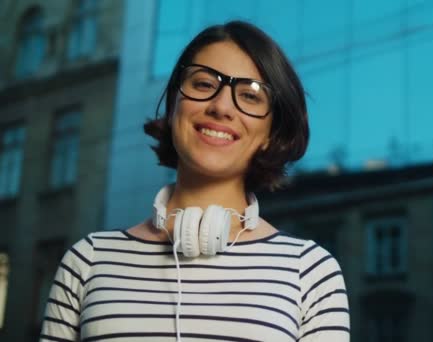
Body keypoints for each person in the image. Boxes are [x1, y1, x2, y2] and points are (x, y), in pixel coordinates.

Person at [41, 20, 350, 341]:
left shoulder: (310, 271)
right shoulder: (88, 260)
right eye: (203, 84)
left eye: (250, 95)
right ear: (174, 105)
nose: (221, 106)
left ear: (271, 135)